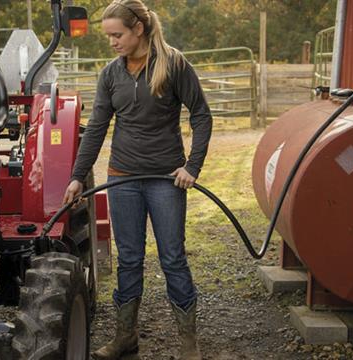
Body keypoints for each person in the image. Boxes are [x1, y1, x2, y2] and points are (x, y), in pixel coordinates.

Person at [63, 1, 212, 359]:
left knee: (172, 257)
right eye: (108, 36)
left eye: (118, 35)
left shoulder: (174, 64)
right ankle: (125, 337)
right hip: (122, 178)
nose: (112, 42)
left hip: (165, 178)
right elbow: (96, 128)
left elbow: (202, 116)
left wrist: (192, 167)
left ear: (138, 30)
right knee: (129, 258)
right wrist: (77, 177)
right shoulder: (111, 74)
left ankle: (188, 344)